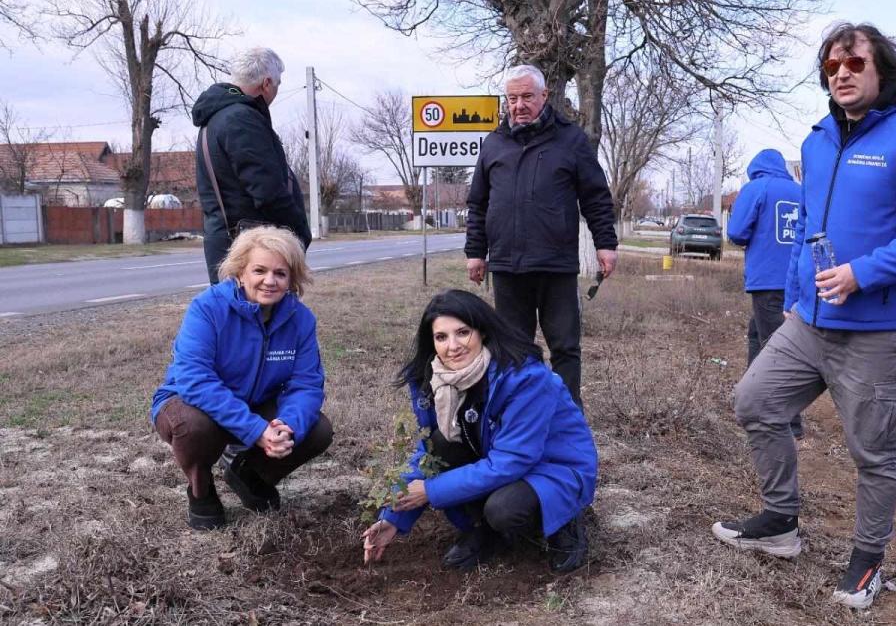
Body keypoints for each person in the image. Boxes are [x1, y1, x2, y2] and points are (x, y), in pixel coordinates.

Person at [711, 22, 896, 610]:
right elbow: (808, 229)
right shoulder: (818, 140)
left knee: (873, 452)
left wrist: (861, 274)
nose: (841, 74)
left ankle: (867, 562)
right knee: (755, 401)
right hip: (809, 320)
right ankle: (780, 522)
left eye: (853, 63)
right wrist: (802, 291)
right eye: (831, 67)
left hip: (880, 327)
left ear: (883, 70)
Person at [360, 290, 597, 574]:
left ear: (482, 331)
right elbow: (429, 453)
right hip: (497, 458)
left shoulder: (525, 379)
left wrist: (430, 491)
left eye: (463, 332)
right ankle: (484, 531)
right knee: (441, 443)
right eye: (441, 337)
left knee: (504, 509)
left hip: (553, 467)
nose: (453, 346)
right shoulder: (434, 381)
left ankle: (564, 518)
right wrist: (393, 519)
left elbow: (513, 460)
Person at [151, 226, 333, 530]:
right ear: (240, 272)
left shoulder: (301, 319)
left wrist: (286, 426)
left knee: (316, 429)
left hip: (256, 405)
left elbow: (307, 384)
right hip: (192, 404)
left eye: (280, 273)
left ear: (292, 279)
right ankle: (201, 489)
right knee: (193, 427)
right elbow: (193, 379)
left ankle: (249, 473)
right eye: (259, 270)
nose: (269, 281)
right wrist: (255, 429)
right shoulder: (207, 308)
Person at [464, 64, 618, 405]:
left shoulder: (571, 140)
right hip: (507, 266)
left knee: (564, 348)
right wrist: (476, 253)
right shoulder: (493, 144)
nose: (519, 105)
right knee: (513, 350)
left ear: (545, 96)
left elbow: (595, 196)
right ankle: (521, 415)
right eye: (512, 98)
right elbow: (478, 203)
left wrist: (605, 244)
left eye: (527, 97)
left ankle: (566, 418)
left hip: (555, 265)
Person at [193, 47, 312, 284]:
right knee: (255, 319)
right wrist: (298, 232)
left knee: (239, 317)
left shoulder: (219, 115)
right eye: (278, 83)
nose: (277, 89)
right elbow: (267, 190)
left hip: (235, 245)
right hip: (251, 251)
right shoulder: (240, 119)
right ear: (266, 83)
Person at [726, 149, 806, 437]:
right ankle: (751, 402)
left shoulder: (756, 188)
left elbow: (736, 231)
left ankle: (789, 423)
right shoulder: (799, 190)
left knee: (776, 347)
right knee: (757, 336)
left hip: (768, 281)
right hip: (799, 282)